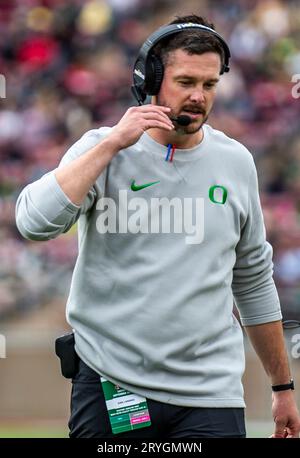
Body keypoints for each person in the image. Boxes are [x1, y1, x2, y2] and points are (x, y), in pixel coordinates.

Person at [15, 14, 300, 438]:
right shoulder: (102, 148)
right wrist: (113, 143)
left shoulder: (236, 161)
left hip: (210, 394)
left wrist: (282, 387)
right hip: (112, 384)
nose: (199, 97)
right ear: (148, 79)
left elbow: (254, 281)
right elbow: (34, 223)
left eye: (209, 85)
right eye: (186, 82)